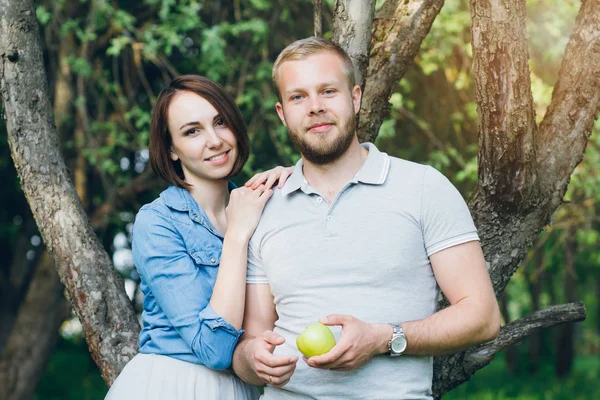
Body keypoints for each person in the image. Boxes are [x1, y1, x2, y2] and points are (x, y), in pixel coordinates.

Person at [231, 37, 501, 399]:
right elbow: (252, 342)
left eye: (328, 91)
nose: (314, 107)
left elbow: (482, 317)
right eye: (298, 97)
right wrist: (252, 359)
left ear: (355, 98)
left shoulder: (423, 187)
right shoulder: (263, 207)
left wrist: (382, 338)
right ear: (283, 114)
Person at [105, 75, 292, 400]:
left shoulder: (261, 208)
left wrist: (297, 180)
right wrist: (236, 234)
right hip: (172, 386)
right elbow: (214, 348)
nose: (215, 140)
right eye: (192, 131)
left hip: (245, 389)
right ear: (171, 149)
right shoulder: (158, 223)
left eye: (220, 122)